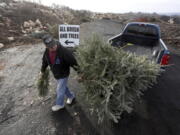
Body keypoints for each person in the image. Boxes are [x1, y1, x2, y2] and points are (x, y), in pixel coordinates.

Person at [40, 35, 78, 112]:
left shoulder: (64, 51)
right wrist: (42, 71)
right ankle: (71, 96)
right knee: (63, 87)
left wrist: (80, 72)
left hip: (64, 73)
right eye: (50, 47)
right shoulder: (47, 51)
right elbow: (44, 61)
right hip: (56, 74)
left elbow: (73, 62)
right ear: (46, 46)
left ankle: (60, 104)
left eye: (54, 45)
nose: (53, 47)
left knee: (59, 89)